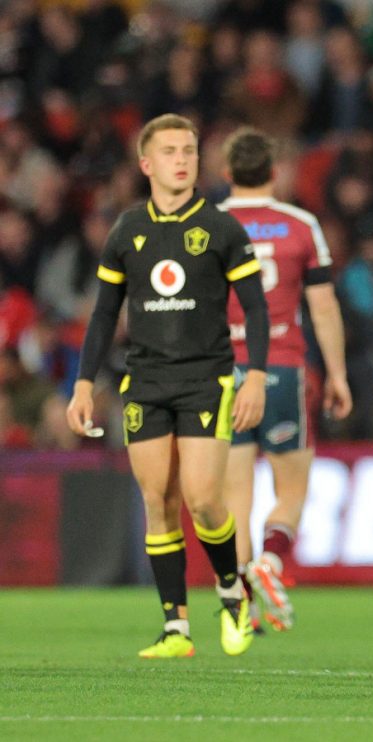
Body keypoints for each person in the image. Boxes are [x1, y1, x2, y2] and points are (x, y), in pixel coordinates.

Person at [65, 113, 270, 658]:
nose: (182, 159)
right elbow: (105, 314)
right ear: (147, 164)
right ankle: (175, 628)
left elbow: (254, 307)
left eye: (189, 150)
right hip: (146, 382)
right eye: (172, 151)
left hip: (206, 379)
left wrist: (257, 376)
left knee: (204, 501)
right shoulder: (128, 230)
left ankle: (231, 592)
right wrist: (84, 383)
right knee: (159, 500)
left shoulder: (223, 228)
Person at [217, 127, 352, 633]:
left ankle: (241, 607)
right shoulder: (300, 225)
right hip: (283, 366)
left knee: (235, 499)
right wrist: (337, 374)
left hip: (224, 371)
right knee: (291, 489)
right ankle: (271, 561)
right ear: (274, 172)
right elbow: (322, 304)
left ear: (227, 173)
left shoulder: (209, 225)